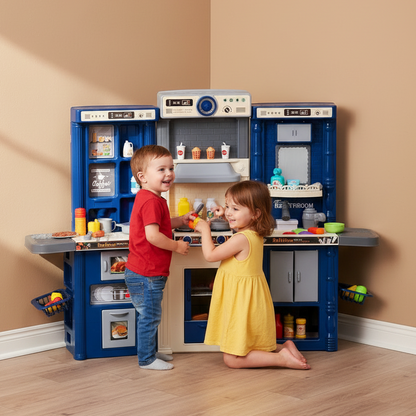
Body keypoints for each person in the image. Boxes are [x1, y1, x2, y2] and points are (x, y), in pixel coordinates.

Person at [194, 180, 311, 370]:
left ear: (256, 214)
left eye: (235, 209)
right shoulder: (253, 233)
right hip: (248, 299)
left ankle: (281, 358)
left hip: (241, 302)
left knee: (231, 359)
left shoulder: (240, 238)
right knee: (249, 344)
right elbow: (239, 223)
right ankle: (285, 346)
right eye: (227, 207)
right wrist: (227, 215)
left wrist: (204, 230)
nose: (229, 212)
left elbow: (210, 255)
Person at [125, 145, 193, 371]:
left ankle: (150, 352)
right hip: (147, 273)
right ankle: (146, 359)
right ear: (142, 177)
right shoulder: (152, 201)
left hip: (145, 271)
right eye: (161, 169)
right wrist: (176, 246)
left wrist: (181, 220)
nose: (169, 174)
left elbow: (160, 225)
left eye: (171, 168)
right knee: (150, 317)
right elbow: (153, 236)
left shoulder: (152, 198)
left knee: (149, 315)